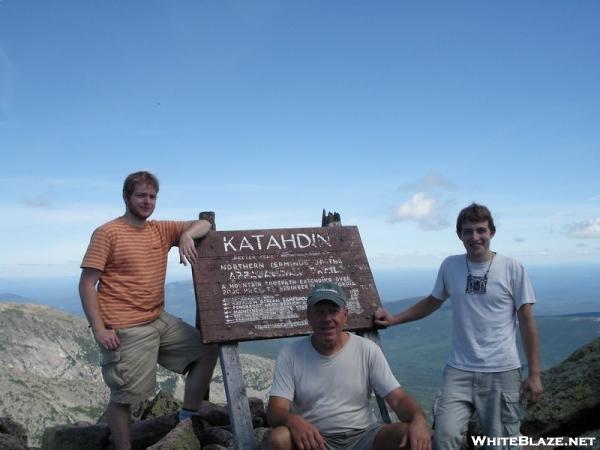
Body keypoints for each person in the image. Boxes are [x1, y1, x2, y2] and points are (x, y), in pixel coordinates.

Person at [375, 203, 543, 449]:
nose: (475, 237)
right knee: (444, 436)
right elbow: (433, 301)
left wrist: (535, 374)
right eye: (468, 231)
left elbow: (527, 321)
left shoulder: (512, 268)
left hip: (502, 370)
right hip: (458, 370)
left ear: (492, 232)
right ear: (459, 235)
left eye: (480, 230)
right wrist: (395, 319)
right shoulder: (450, 266)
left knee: (500, 444)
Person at [79, 171, 218, 450]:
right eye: (141, 195)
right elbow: (86, 284)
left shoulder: (160, 229)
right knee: (125, 396)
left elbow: (205, 224)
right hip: (126, 328)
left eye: (152, 196)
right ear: (126, 197)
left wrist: (188, 235)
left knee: (207, 350)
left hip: (158, 319)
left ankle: (187, 418)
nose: (147, 201)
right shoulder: (107, 233)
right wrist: (99, 329)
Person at [265, 281, 432, 450]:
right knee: (280, 438)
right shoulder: (290, 354)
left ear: (345, 314)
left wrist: (418, 418)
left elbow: (398, 399)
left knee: (409, 435)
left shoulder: (367, 350)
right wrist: (292, 420)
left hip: (366, 436)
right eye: (319, 312)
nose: (327, 319)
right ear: (308, 316)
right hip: (315, 441)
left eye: (333, 311)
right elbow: (276, 410)